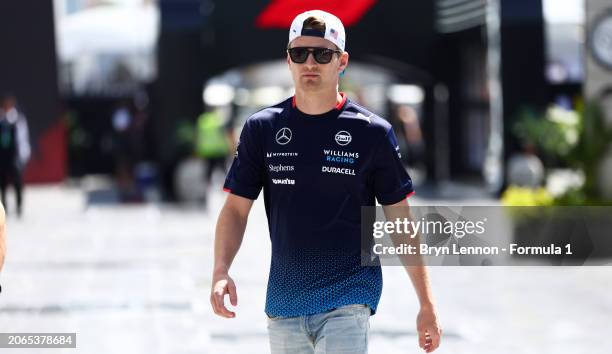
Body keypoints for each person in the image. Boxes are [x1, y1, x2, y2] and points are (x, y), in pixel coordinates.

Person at [210, 10, 441, 353]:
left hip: (348, 301)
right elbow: (235, 210)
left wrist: (426, 303)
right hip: (284, 305)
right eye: (299, 53)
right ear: (288, 60)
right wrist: (220, 271)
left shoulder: (372, 133)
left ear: (342, 61)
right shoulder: (263, 129)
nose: (310, 63)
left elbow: (400, 220)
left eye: (322, 54)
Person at [0, 94, 31, 217]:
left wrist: (23, 155)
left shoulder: (17, 119)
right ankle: (4, 208)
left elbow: (22, 137)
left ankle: (19, 206)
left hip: (14, 156)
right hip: (2, 156)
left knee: (17, 182)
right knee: (2, 184)